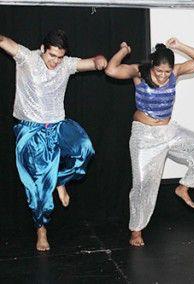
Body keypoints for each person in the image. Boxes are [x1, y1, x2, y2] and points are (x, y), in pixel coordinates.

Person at [0, 30, 107, 251]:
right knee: (39, 188)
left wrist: (99, 61)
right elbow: (4, 41)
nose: (55, 62)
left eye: (60, 57)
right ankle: (41, 231)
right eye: (51, 56)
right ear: (42, 49)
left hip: (58, 125)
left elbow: (92, 62)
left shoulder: (66, 64)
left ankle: (59, 180)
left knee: (85, 149)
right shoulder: (26, 57)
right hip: (31, 130)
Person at [105, 38, 194, 247]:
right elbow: (111, 71)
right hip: (143, 136)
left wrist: (180, 46)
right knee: (142, 185)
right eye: (159, 72)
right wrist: (123, 51)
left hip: (168, 131)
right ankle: (136, 230)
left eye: (167, 72)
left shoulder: (175, 72)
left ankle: (184, 186)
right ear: (152, 66)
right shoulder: (140, 72)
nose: (163, 76)